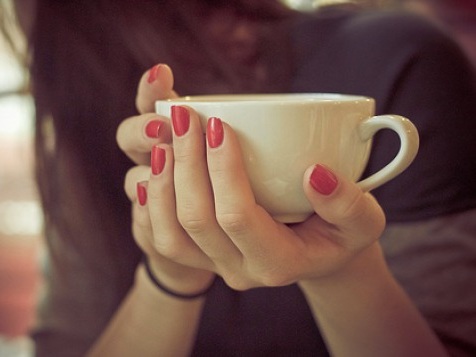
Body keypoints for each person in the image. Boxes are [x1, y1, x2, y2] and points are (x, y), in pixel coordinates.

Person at [4, 0, 476, 355]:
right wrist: (171, 275)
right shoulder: (84, 104)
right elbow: (67, 346)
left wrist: (343, 268)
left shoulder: (397, 57)